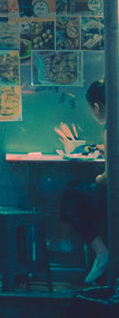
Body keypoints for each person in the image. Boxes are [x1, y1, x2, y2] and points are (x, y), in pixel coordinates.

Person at [59, 79, 109, 284]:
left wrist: (97, 178)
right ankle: (64, 240)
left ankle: (100, 252)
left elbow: (108, 178)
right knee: (74, 191)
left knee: (71, 196)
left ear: (96, 107)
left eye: (91, 109)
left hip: (113, 196)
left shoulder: (110, 129)